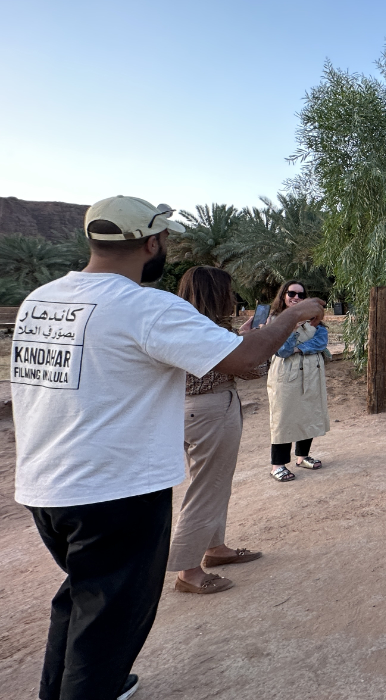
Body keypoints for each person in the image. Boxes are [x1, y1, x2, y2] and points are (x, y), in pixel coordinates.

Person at [11, 195, 325, 700]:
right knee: (111, 624)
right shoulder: (145, 305)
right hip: (114, 490)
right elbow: (245, 360)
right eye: (165, 240)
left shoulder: (40, 300)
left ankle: (78, 685)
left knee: (83, 600)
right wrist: (296, 314)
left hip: (46, 486)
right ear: (152, 243)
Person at [168, 266, 265, 594]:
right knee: (208, 487)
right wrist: (254, 342)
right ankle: (188, 570)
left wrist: (242, 337)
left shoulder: (183, 326)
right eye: (228, 291)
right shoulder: (208, 332)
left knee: (211, 482)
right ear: (215, 294)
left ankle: (215, 548)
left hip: (192, 410)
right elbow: (254, 369)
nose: (233, 297)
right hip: (211, 410)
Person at [266, 280, 330, 482]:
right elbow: (282, 351)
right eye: (292, 293)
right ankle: (278, 465)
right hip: (287, 373)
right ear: (283, 295)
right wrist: (293, 329)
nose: (296, 298)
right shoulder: (276, 319)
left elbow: (321, 340)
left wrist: (298, 348)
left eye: (301, 295)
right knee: (284, 417)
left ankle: (302, 456)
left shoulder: (314, 317)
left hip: (311, 371)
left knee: (308, 412)